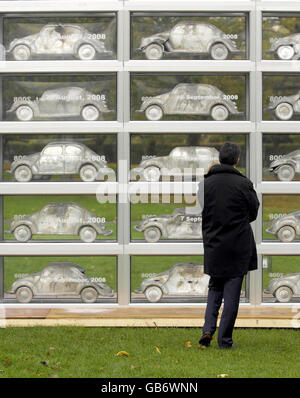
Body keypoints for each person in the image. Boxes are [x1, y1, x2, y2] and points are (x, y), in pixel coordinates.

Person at [197, 142, 260, 349]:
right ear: (237, 160)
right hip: (238, 246)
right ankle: (225, 341)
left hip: (214, 244)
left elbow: (203, 209)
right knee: (232, 294)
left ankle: (207, 331)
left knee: (215, 288)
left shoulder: (205, 184)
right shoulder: (244, 184)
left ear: (220, 158)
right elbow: (253, 212)